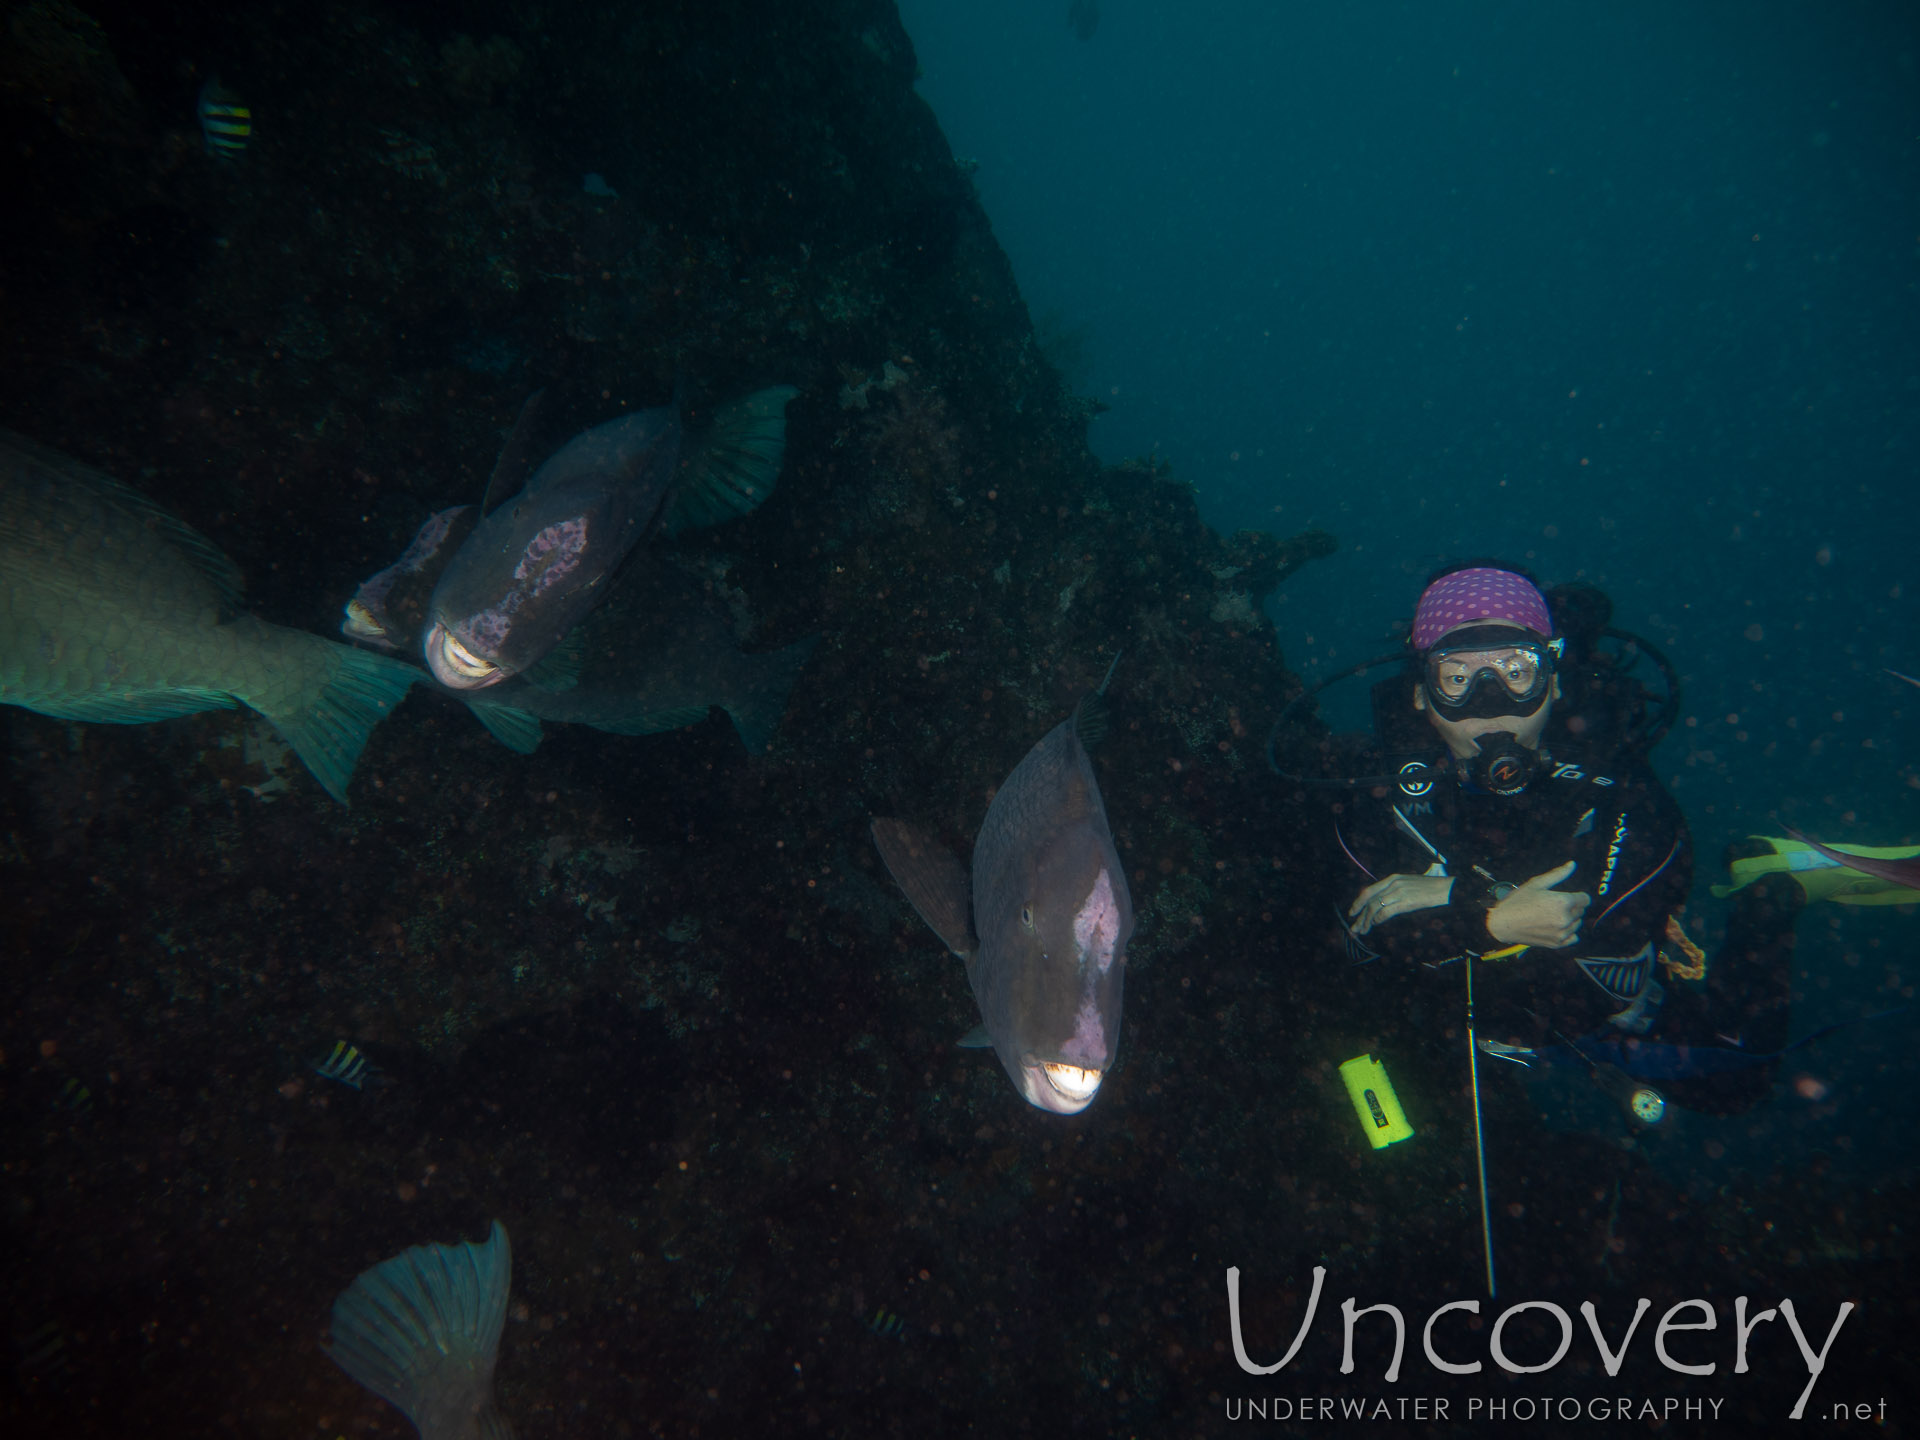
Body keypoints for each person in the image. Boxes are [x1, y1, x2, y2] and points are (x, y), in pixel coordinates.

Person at [1324, 562, 1802, 1116]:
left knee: (1738, 1081)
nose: (1490, 701)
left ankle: (1768, 901)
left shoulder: (1612, 785)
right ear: (1420, 696)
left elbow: (1602, 970)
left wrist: (1464, 906)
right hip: (1447, 1028)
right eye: (1457, 678)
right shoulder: (1379, 790)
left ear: (1554, 683)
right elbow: (1355, 943)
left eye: (1516, 671)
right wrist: (1495, 919)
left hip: (1578, 1025)